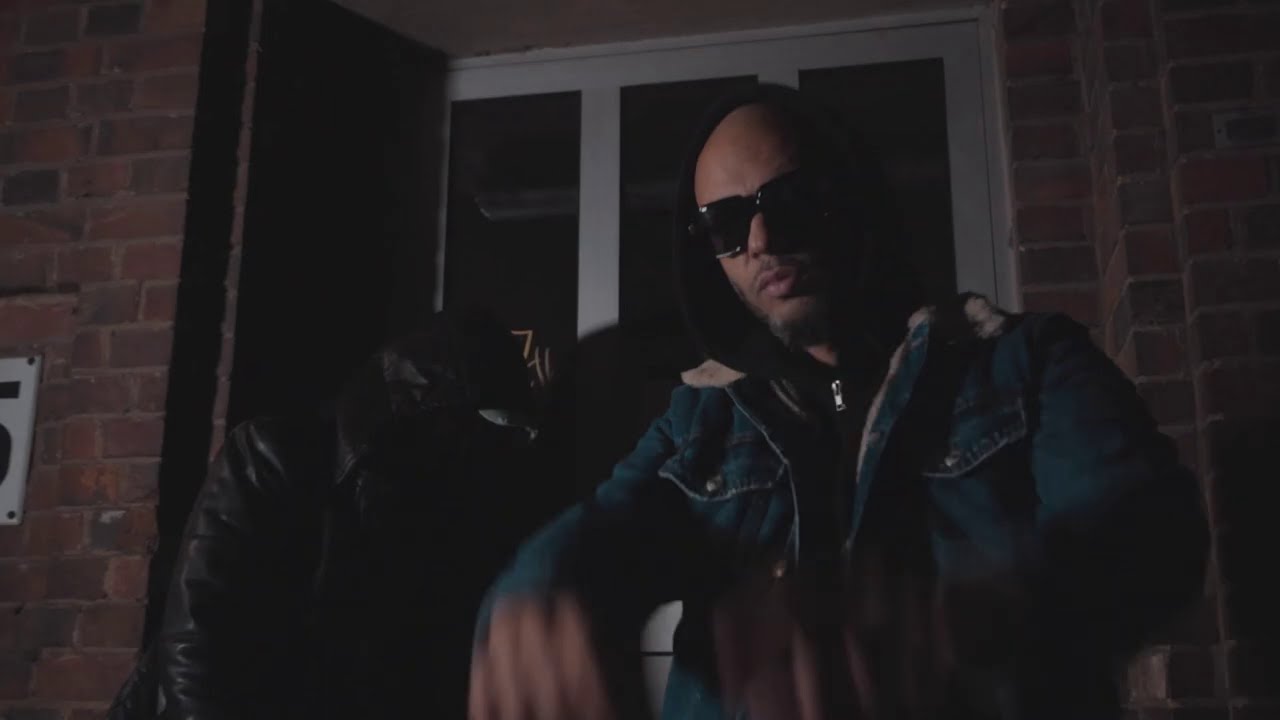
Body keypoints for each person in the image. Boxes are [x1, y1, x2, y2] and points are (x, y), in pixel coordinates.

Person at [468, 84, 1210, 720]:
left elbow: (1147, 533)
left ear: (849, 197)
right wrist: (542, 590)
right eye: (726, 223)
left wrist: (959, 614)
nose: (762, 238)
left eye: (787, 199)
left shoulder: (1024, 360)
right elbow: (609, 531)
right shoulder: (701, 416)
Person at [108, 308, 555, 720]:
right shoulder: (275, 457)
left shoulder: (443, 512)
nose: (473, 448)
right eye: (474, 427)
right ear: (430, 411)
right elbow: (195, 644)